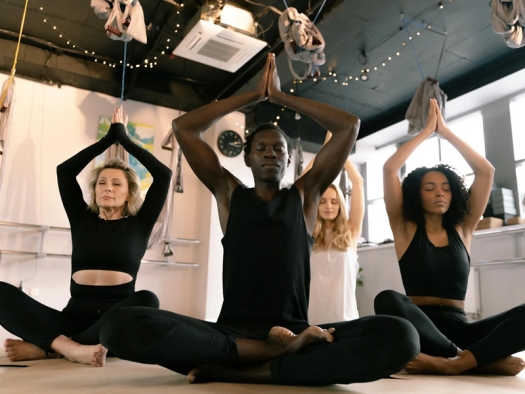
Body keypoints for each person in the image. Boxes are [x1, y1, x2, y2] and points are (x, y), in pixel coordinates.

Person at [99, 53, 419, 386]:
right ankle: (275, 356)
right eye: (261, 148)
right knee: (118, 325)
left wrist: (280, 97)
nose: (270, 153)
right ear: (247, 157)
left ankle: (246, 367)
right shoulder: (228, 193)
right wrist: (253, 96)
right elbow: (184, 127)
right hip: (231, 333)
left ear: (289, 158)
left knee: (402, 335)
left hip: (295, 330)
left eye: (278, 149)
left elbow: (349, 126)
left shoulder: (306, 196)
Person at [0, 106, 172, 367]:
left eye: (116, 184)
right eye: (101, 183)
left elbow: (163, 175)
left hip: (113, 318)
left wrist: (123, 138)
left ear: (129, 194)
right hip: (72, 317)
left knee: (148, 300)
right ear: (94, 190)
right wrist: (107, 139)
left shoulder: (139, 224)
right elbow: (65, 171)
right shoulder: (82, 219)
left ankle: (51, 348)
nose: (107, 188)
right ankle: (69, 346)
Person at [375, 98, 525, 375]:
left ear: (454, 193)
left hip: (461, 328)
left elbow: (485, 171)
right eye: (429, 188)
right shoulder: (405, 228)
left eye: (445, 187)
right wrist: (425, 132)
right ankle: (467, 360)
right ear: (416, 196)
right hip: (421, 330)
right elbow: (389, 169)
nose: (440, 192)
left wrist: (445, 131)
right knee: (387, 298)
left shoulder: (463, 229)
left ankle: (458, 361)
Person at [302, 131, 364, 324]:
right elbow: (301, 182)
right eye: (323, 202)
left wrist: (340, 147)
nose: (329, 206)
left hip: (346, 319)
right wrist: (324, 150)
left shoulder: (351, 233)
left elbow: (358, 182)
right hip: (312, 320)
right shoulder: (307, 234)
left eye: (334, 202)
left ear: (340, 205)